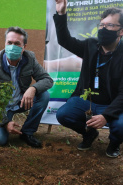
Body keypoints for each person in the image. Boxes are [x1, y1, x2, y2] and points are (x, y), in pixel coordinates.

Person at [54, 0, 123, 157]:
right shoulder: (91, 45)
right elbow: (64, 40)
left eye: (110, 25)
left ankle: (114, 143)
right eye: (102, 25)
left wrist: (106, 116)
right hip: (88, 102)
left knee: (121, 125)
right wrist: (61, 13)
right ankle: (89, 134)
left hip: (113, 104)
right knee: (63, 114)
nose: (104, 29)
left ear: (121, 31)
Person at [0, 26, 53, 148]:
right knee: (0, 140)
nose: (12, 46)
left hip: (22, 101)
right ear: (5, 43)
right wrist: (5, 123)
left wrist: (33, 89)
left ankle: (27, 132)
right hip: (1, 108)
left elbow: (47, 79)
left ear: (24, 47)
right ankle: (0, 125)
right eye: (9, 42)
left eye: (17, 43)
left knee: (44, 95)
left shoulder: (29, 58)